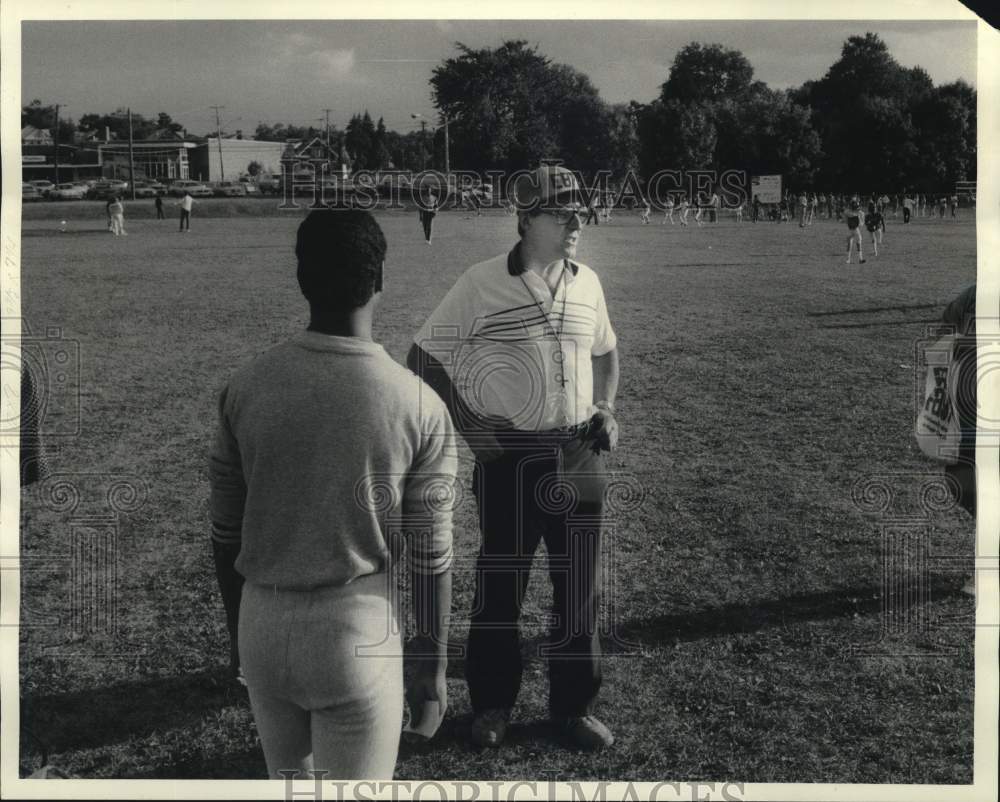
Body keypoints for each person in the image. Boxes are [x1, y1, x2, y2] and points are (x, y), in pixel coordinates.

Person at [209, 209, 456, 779]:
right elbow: (431, 554)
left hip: (262, 619)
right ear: (380, 280)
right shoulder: (418, 402)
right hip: (357, 626)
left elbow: (225, 533)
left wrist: (238, 633)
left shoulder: (244, 386)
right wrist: (432, 665)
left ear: (301, 278)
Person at [407, 164, 620, 752]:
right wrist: (470, 424)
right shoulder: (480, 282)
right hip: (511, 459)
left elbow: (607, 349)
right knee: (501, 588)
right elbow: (422, 355)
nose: (578, 222)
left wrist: (606, 406)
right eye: (563, 212)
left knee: (580, 590)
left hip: (580, 453)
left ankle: (574, 709)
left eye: (580, 212)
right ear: (526, 219)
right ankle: (492, 705)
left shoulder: (588, 282)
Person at [845, 198, 866, 264]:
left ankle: (850, 259)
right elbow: (861, 222)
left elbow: (847, 216)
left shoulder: (848, 212)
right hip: (854, 229)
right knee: (857, 243)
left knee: (851, 244)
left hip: (851, 229)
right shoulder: (857, 212)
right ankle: (859, 259)